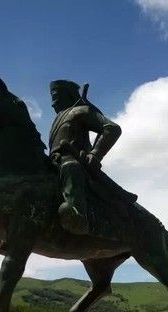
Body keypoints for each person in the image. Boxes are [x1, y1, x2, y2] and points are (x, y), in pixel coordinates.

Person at [48, 79, 122, 235]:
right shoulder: (57, 119)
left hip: (72, 161)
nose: (52, 103)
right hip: (53, 162)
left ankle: (77, 215)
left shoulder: (80, 111)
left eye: (55, 96)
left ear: (67, 95)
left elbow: (112, 129)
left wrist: (95, 155)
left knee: (70, 167)